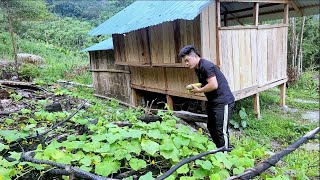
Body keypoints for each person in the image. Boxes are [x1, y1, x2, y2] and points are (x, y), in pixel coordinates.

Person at [178, 45, 235, 148]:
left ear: (195, 56)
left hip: (223, 101)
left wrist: (199, 90)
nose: (186, 64)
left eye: (187, 60)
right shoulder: (197, 68)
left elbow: (213, 85)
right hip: (213, 101)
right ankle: (218, 150)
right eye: (185, 61)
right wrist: (195, 85)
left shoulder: (205, 66)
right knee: (211, 127)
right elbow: (206, 82)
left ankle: (225, 155)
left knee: (221, 130)